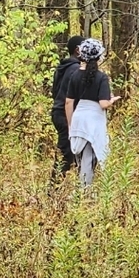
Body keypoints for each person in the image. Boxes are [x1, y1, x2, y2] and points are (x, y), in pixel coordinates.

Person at [65, 39, 121, 188]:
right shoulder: (101, 77)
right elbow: (103, 103)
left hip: (79, 116)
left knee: (80, 157)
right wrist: (112, 100)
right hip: (94, 119)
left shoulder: (75, 76)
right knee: (90, 157)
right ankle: (86, 192)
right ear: (99, 57)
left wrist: (71, 124)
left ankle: (82, 190)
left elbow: (68, 102)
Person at [50, 35, 84, 178]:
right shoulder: (76, 69)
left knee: (70, 153)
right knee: (66, 155)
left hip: (58, 112)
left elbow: (54, 91)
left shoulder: (62, 67)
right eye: (85, 48)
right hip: (66, 115)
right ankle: (54, 192)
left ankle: (66, 189)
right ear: (77, 50)